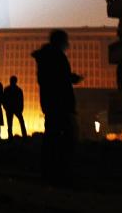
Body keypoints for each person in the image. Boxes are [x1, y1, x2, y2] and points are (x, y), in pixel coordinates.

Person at [32, 29, 82, 186]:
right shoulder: (56, 57)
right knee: (65, 138)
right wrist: (70, 78)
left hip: (51, 103)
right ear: (61, 41)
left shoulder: (47, 57)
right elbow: (58, 78)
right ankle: (59, 173)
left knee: (52, 138)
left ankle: (51, 172)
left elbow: (50, 78)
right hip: (60, 103)